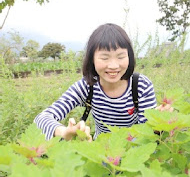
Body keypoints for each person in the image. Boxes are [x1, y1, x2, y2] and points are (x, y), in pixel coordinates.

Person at [34, 23, 172, 142]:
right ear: (92, 59)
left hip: (134, 153)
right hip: (101, 154)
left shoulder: (141, 86)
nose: (113, 65)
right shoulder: (87, 86)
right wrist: (64, 132)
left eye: (120, 56)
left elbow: (147, 135)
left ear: (129, 57)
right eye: (104, 58)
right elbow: (42, 118)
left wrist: (158, 123)